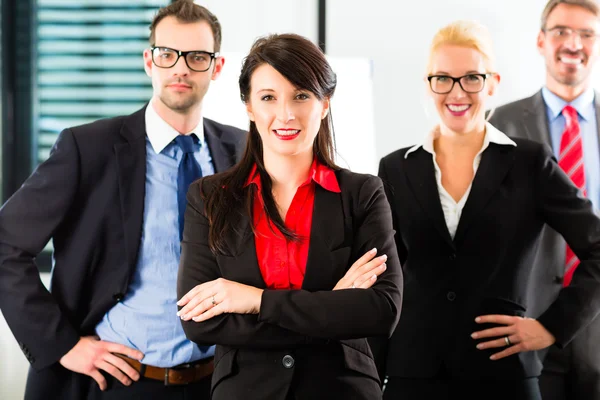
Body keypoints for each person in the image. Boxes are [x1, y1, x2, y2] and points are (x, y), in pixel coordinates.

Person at [0, 1, 246, 399]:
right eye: (168, 55)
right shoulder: (89, 149)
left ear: (216, 67)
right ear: (149, 61)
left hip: (220, 383)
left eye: (197, 57)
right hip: (120, 382)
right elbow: (5, 243)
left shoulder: (242, 149)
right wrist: (62, 344)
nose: (181, 68)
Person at [373, 19, 600, 400]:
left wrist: (551, 327)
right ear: (428, 86)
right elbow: (385, 275)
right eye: (442, 78)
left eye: (471, 78)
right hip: (413, 374)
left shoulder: (530, 163)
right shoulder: (395, 167)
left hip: (504, 374)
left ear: (492, 83)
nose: (456, 91)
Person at [175, 33, 403, 400]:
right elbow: (198, 320)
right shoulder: (208, 197)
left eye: (301, 95)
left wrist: (255, 300)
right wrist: (330, 305)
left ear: (324, 103)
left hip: (341, 390)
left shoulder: (362, 194)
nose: (286, 114)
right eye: (268, 97)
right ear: (249, 106)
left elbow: (380, 310)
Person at [489, 1, 600, 398]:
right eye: (561, 31)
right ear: (540, 40)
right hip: (523, 321)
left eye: (587, 33)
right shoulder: (501, 124)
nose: (573, 42)